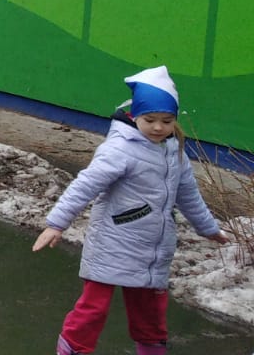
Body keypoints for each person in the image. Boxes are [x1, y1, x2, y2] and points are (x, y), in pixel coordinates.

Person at [33, 66, 228, 355]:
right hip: (112, 243)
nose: (158, 127)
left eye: (167, 121)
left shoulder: (175, 152)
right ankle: (71, 351)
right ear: (135, 115)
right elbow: (85, 185)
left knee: (150, 316)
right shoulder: (119, 149)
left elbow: (188, 195)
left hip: (152, 251)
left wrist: (208, 228)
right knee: (93, 309)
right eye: (150, 120)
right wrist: (56, 223)